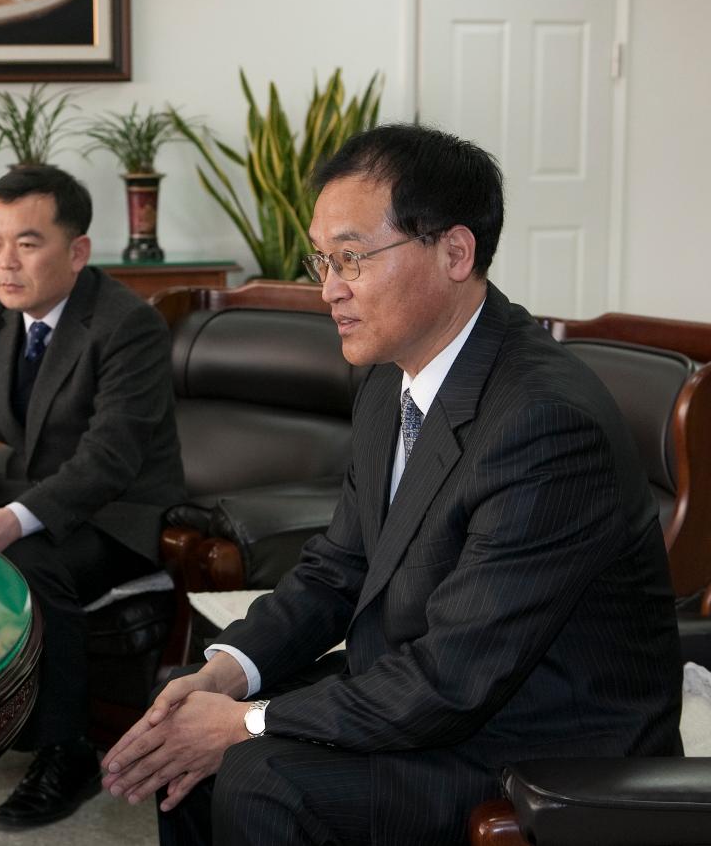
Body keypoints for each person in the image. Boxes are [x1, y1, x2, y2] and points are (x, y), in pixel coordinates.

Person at [101, 124, 683, 846]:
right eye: (323, 259)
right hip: (428, 689)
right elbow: (337, 567)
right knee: (189, 726)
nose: (328, 289)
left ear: (455, 252)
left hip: (537, 738)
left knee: (257, 773)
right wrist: (230, 673)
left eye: (352, 258)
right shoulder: (389, 379)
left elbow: (454, 681)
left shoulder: (544, 424)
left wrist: (249, 721)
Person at [0, 165, 185, 828]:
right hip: (35, 492)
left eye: (27, 243)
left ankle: (66, 750)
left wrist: (13, 519)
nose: (5, 263)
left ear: (78, 251)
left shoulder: (127, 325)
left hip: (117, 510)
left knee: (28, 560)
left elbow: (110, 457)